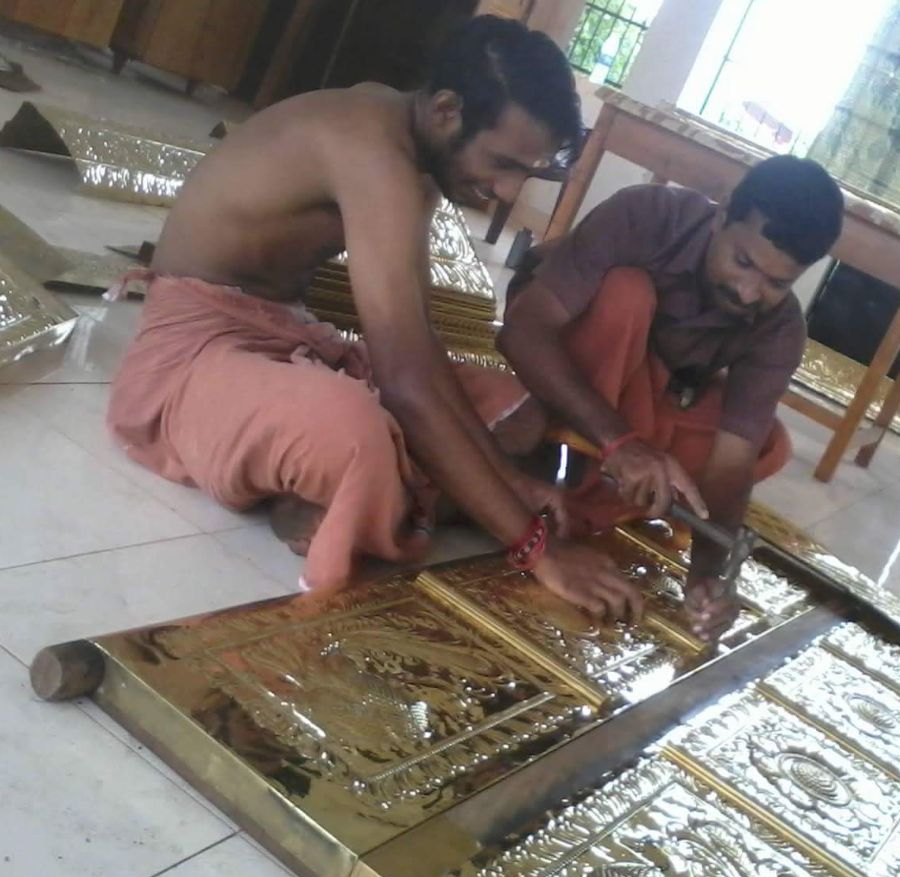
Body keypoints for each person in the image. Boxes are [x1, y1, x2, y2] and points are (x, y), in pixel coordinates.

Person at [107, 16, 645, 621]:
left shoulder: (413, 148)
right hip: (194, 354)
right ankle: (360, 488)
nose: (504, 189)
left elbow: (416, 348)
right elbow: (408, 384)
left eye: (525, 171)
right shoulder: (371, 150)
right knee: (353, 428)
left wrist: (513, 483)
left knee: (514, 410)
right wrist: (536, 549)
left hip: (288, 337)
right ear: (446, 110)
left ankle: (328, 493)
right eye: (502, 162)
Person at [498, 155, 844, 640]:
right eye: (743, 262)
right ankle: (550, 463)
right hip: (568, 364)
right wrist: (621, 444)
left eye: (777, 283)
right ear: (721, 215)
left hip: (643, 399)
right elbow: (522, 332)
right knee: (626, 295)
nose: (748, 293)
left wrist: (707, 574)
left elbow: (730, 466)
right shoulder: (646, 215)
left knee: (767, 441)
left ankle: (600, 489)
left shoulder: (781, 330)